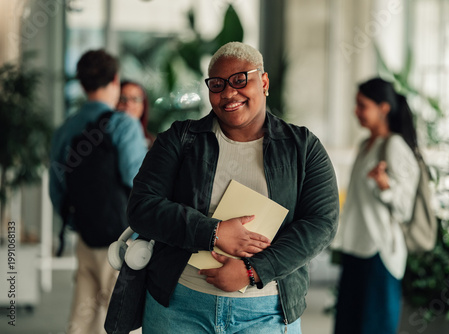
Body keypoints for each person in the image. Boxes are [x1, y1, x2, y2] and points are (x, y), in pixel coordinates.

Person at [126, 42, 339, 333]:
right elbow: (142, 207)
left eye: (240, 80)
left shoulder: (303, 148)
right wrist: (214, 232)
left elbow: (321, 224)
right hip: (179, 306)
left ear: (263, 82)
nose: (228, 93)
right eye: (217, 84)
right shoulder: (180, 139)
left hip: (266, 312)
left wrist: (253, 270)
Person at [49, 49, 147, 334]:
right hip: (120, 240)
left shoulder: (66, 129)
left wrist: (75, 221)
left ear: (81, 84)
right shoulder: (123, 125)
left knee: (82, 320)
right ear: (115, 79)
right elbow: (139, 183)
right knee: (123, 321)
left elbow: (57, 188)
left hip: (86, 236)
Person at [331, 77, 421, 334]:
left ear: (384, 108)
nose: (356, 111)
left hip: (379, 253)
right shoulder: (364, 145)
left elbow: (405, 208)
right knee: (348, 326)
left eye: (362, 105)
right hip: (356, 249)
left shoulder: (394, 146)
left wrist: (386, 187)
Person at [116, 80, 156, 148]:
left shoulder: (153, 144)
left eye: (135, 99)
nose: (128, 104)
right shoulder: (103, 137)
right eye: (122, 98)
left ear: (143, 106)